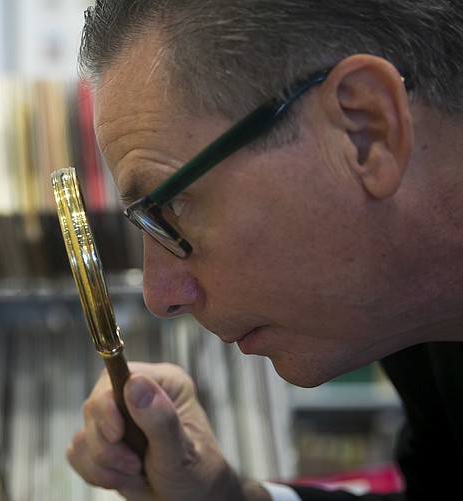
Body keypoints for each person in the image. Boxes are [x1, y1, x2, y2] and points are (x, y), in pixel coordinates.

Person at [65, 1, 463, 500]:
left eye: (172, 207)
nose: (160, 294)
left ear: (367, 130)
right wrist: (225, 494)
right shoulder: (418, 325)